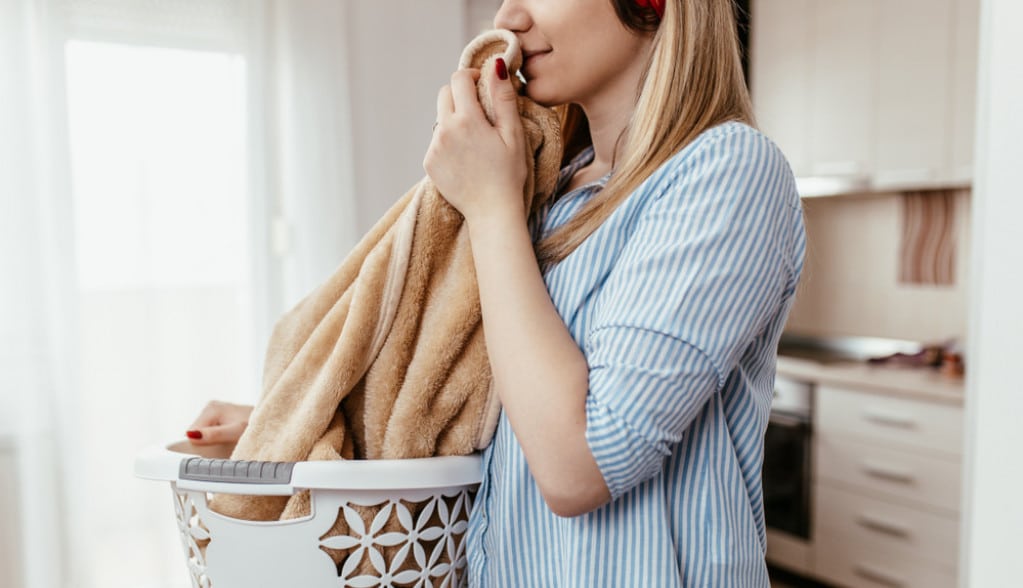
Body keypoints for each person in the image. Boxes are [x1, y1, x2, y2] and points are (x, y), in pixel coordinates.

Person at [188, 0, 806, 585]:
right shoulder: (546, 188)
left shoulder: (728, 170)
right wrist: (296, 422)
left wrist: (489, 209)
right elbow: (470, 409)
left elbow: (579, 466)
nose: (508, 16)